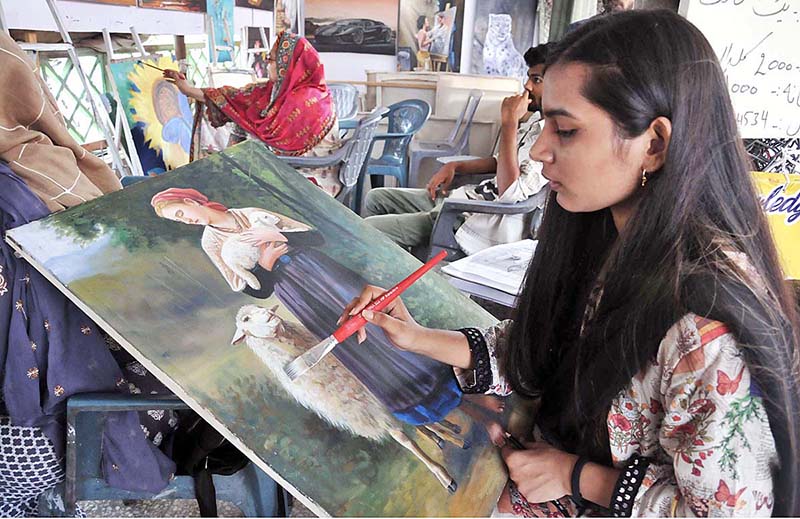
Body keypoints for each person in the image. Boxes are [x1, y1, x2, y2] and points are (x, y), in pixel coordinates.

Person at [345, 10, 800, 517]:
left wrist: (575, 475)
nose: (539, 150)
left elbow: (728, 512)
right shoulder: (606, 237)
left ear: (654, 144)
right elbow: (536, 350)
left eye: (565, 131)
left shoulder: (703, 329)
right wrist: (418, 338)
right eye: (543, 125)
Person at [149, 188, 462, 426]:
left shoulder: (249, 212)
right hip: (293, 289)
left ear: (191, 201)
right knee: (347, 339)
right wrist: (264, 265)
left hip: (320, 269)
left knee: (372, 319)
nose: (185, 220)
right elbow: (250, 289)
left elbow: (313, 236)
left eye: (180, 213)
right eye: (177, 221)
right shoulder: (212, 243)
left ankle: (443, 379)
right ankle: (415, 404)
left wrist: (279, 235)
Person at [363, 43, 552, 254]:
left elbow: (510, 191)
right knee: (376, 198)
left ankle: (395, 270)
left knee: (369, 230)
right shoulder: (535, 124)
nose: (527, 86)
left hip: (472, 219)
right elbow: (501, 162)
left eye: (536, 80)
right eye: (528, 77)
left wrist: (509, 123)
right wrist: (456, 165)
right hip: (465, 199)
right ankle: (395, 263)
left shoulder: (549, 142)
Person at [164, 31, 344, 196]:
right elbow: (234, 97)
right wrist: (187, 89)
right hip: (287, 168)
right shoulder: (278, 91)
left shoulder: (307, 100)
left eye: (271, 59)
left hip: (310, 179)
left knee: (217, 179)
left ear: (287, 65)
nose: (267, 63)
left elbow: (286, 149)